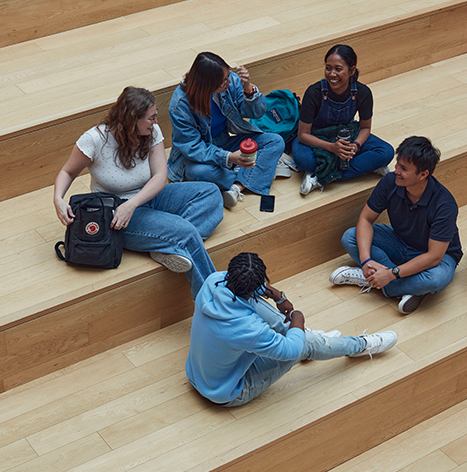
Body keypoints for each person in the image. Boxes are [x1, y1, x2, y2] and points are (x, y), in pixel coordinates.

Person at [53, 86, 223, 299]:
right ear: (132, 119)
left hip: (145, 197)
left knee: (211, 193)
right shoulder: (95, 139)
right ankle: (215, 303)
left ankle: (167, 246)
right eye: (151, 118)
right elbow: (67, 172)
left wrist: (133, 204)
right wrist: (58, 199)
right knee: (185, 232)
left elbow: (161, 176)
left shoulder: (151, 132)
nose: (156, 122)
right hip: (116, 214)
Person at [186, 252, 398, 406]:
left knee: (256, 305)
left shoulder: (213, 282)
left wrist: (278, 296)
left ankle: (309, 339)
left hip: (198, 373)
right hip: (228, 390)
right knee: (303, 345)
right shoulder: (250, 329)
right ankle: (359, 346)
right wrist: (298, 320)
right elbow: (292, 351)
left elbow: (247, 287)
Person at [330, 136, 463, 314]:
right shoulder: (390, 182)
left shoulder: (444, 205)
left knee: (436, 279)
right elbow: (365, 219)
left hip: (437, 257)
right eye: (397, 164)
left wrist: (391, 274)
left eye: (404, 168)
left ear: (423, 174)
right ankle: (405, 286)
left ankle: (375, 281)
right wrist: (366, 260)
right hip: (400, 242)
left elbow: (433, 257)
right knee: (351, 236)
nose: (396, 171)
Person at [167, 52, 286, 209]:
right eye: (223, 82)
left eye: (228, 75)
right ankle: (258, 171)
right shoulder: (180, 105)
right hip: (196, 157)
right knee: (198, 172)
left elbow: (257, 113)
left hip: (224, 142)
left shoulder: (231, 82)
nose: (229, 82)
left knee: (275, 141)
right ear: (206, 86)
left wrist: (248, 90)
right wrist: (228, 157)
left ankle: (237, 186)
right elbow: (193, 148)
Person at [292, 44, 394, 195]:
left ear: (351, 70)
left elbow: (365, 128)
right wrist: (332, 147)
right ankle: (364, 166)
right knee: (305, 160)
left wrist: (356, 146)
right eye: (328, 68)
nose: (332, 74)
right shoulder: (314, 92)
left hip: (347, 134)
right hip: (316, 137)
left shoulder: (362, 92)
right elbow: (303, 134)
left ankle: (320, 176)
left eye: (338, 69)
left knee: (386, 152)